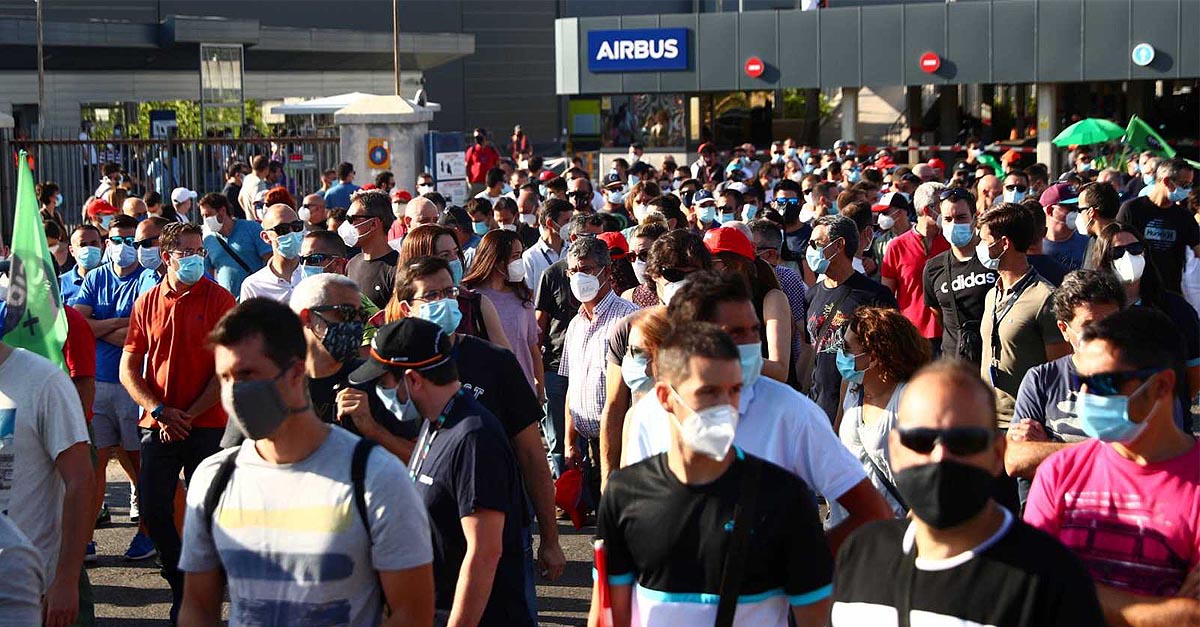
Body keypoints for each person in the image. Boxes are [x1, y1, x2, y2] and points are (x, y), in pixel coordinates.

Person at [179, 299, 435, 626]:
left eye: (247, 374)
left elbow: (411, 614)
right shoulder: (214, 479)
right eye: (225, 378)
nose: (234, 391)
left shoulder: (375, 477)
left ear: (296, 371)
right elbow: (198, 607)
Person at [622, 272, 893, 548]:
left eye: (754, 330)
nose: (752, 344)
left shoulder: (793, 412)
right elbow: (633, 520)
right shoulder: (651, 414)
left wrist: (808, 568)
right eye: (736, 333)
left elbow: (871, 510)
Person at [830, 360, 1105, 625]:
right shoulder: (861, 552)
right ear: (895, 449)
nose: (940, 456)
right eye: (920, 441)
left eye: (963, 442)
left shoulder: (1051, 578)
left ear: (998, 453)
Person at [594, 324, 834, 627]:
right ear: (666, 397)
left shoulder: (784, 497)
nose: (726, 406)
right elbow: (607, 615)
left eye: (734, 390)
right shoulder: (624, 494)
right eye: (708, 391)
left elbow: (813, 617)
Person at [386, 256, 566, 591]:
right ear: (408, 308)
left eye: (449, 292)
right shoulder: (392, 367)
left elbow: (531, 453)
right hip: (427, 539)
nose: (444, 302)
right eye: (431, 296)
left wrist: (551, 539)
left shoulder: (496, 362)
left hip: (503, 532)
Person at [347, 318, 532, 626]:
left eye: (383, 382)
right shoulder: (437, 424)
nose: (381, 391)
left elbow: (484, 553)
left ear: (414, 380)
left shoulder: (473, 437)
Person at [1025, 307, 1200, 626]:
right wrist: (1167, 612)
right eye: (1083, 382)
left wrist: (1072, 591)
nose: (1086, 396)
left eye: (1106, 383)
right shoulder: (1059, 471)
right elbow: (1033, 590)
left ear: (1161, 386)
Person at [120, 222, 236, 621]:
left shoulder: (221, 298)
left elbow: (227, 366)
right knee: (154, 511)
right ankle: (180, 584)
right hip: (158, 424)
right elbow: (129, 368)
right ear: (168, 257)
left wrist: (187, 414)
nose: (196, 259)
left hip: (206, 423)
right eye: (187, 252)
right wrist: (159, 411)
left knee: (209, 511)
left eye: (199, 251)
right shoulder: (147, 301)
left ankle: (207, 594)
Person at [71, 214, 156, 561]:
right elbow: (79, 325)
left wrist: (98, 326)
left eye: (129, 241)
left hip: (133, 386)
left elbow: (145, 330)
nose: (123, 248)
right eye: (116, 240)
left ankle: (147, 535)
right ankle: (85, 537)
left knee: (140, 466)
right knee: (95, 465)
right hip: (98, 384)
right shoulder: (95, 277)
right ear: (109, 244)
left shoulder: (149, 277)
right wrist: (122, 324)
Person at [1006, 270, 1126, 498]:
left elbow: (1145, 459)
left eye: (1110, 322)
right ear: (1064, 330)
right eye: (1088, 326)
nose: (1101, 334)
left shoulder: (1141, 380)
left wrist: (1047, 446)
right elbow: (1016, 460)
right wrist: (1109, 452)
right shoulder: (1041, 380)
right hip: (1052, 512)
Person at [832, 306, 931, 520]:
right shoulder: (850, 386)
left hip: (891, 534)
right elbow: (837, 446)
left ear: (874, 357)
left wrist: (901, 538)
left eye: (848, 348)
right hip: (847, 530)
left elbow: (928, 483)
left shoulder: (910, 400)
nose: (841, 354)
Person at [562, 236, 640, 506]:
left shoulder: (628, 318)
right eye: (573, 271)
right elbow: (574, 384)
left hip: (619, 440)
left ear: (606, 272)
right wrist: (569, 440)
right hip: (587, 444)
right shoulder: (576, 325)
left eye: (586, 270)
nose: (578, 277)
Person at [977, 202, 1071, 426]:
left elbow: (1059, 369)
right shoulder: (992, 293)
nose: (979, 246)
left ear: (1004, 243)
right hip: (988, 419)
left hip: (1026, 424)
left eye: (984, 241)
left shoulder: (1045, 297)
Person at [805, 215, 898, 421]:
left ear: (838, 245)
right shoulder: (812, 295)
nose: (810, 249)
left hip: (859, 409)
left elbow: (892, 356)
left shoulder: (875, 295)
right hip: (818, 406)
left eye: (815, 243)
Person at [535, 213, 606, 477]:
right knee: (561, 444)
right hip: (556, 366)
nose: (580, 277)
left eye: (599, 237)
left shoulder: (621, 311)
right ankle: (570, 496)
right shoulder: (552, 275)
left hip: (597, 382)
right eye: (589, 237)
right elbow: (539, 324)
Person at [1095, 223, 1200, 396]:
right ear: (1104, 260)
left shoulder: (1176, 308)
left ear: (1145, 252)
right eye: (1117, 252)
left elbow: (1194, 370)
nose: (1128, 256)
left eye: (1135, 248)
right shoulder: (1096, 311)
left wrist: (1176, 404)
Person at [395, 224, 511, 349]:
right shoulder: (395, 322)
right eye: (445, 255)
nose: (454, 260)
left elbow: (507, 361)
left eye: (455, 252)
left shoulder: (476, 304)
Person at [704, 226, 792, 382]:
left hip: (767, 397)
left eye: (711, 264)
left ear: (735, 264)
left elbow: (780, 370)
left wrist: (724, 354)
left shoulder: (772, 299)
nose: (704, 272)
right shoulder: (710, 300)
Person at [462, 230, 543, 396]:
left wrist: (540, 390)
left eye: (520, 255)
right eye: (515, 256)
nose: (520, 261)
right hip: (485, 392)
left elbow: (532, 348)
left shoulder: (522, 298)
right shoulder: (471, 298)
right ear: (496, 259)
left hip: (522, 390)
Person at [923, 187, 997, 366]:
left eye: (961, 218)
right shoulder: (933, 267)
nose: (954, 224)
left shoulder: (994, 259)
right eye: (948, 219)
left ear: (975, 218)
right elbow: (937, 312)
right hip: (955, 362)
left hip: (994, 360)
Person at [882, 182, 951, 354]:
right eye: (943, 205)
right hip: (911, 339)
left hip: (949, 336)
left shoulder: (952, 242)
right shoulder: (897, 246)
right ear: (928, 210)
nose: (950, 210)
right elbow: (886, 297)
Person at [1116, 158, 1200, 293]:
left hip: (1169, 292)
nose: (1188, 190)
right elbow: (1114, 247)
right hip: (1135, 291)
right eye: (1184, 185)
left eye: (1190, 185)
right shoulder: (1132, 209)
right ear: (1167, 181)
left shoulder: (1184, 217)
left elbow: (1197, 249)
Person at [199, 192, 270, 297]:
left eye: (208, 215)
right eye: (203, 216)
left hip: (255, 297)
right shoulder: (208, 240)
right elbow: (208, 275)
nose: (205, 220)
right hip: (227, 303)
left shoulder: (251, 228)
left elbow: (270, 259)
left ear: (222, 211)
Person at [343, 189, 399, 309]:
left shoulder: (397, 268)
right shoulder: (352, 264)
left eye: (352, 219)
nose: (348, 225)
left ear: (374, 223)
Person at [239, 203, 305, 302]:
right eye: (282, 229)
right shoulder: (253, 285)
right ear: (266, 237)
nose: (292, 233)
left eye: (297, 227)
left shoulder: (315, 274)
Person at [521, 198, 573, 292]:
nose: (571, 226)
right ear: (550, 223)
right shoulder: (530, 256)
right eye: (566, 221)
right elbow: (529, 293)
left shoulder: (573, 250)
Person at [1039, 182, 1089, 271]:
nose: (1076, 212)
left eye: (1077, 207)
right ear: (1050, 210)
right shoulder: (1035, 247)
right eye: (1070, 207)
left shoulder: (1089, 245)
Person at [1075, 181, 1120, 269]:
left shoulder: (1121, 244)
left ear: (1091, 212)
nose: (1078, 215)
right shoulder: (1093, 240)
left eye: (1080, 210)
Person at [60, 224, 105, 305]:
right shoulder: (61, 284)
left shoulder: (115, 278)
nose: (89, 248)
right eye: (83, 245)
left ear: (102, 246)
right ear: (72, 251)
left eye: (94, 243)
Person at [466, 128, 502, 196]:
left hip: (488, 182)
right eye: (475, 137)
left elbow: (497, 165)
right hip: (476, 183)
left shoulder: (491, 150)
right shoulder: (472, 150)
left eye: (479, 137)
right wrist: (468, 180)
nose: (477, 139)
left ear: (484, 137)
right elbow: (467, 165)